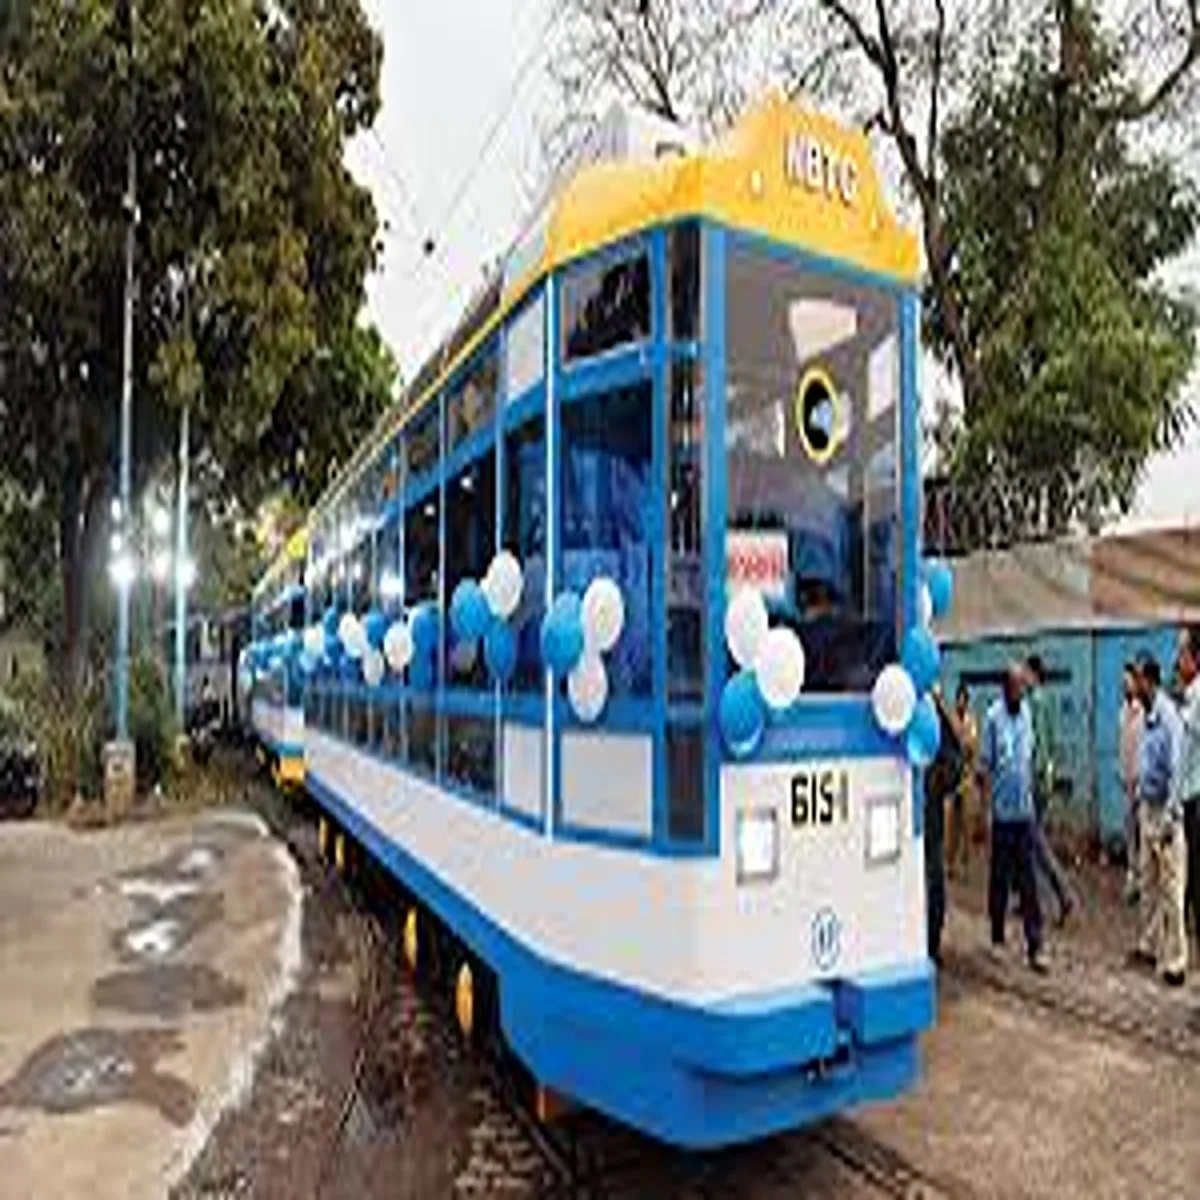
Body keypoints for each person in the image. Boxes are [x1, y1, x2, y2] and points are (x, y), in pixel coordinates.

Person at [982, 664, 1048, 973]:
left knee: (1029, 882)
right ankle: (996, 936)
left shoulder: (1028, 714)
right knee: (999, 880)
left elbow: (1030, 755)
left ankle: (1036, 946)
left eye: (1024, 687)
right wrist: (986, 813)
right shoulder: (993, 718)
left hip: (1025, 813)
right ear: (1005, 689)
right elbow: (987, 765)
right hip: (1002, 814)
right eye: (1017, 687)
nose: (1021, 692)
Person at [1128, 655, 1186, 987]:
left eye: (1136, 678)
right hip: (1146, 807)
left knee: (1171, 888)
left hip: (1165, 810)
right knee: (1148, 881)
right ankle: (1150, 946)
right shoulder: (1145, 715)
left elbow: (1177, 771)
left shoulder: (1169, 717)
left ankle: (1176, 961)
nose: (1133, 685)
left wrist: (1169, 818)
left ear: (1149, 681)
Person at [1025, 656, 1073, 924]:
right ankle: (1029, 898)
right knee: (1029, 843)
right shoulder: (1047, 701)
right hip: (1044, 779)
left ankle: (1063, 894)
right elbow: (1051, 743)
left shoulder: (1035, 703)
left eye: (1027, 674)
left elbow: (1038, 746)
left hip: (1035, 781)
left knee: (1035, 842)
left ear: (1034, 675)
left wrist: (1035, 778)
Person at [924, 685, 965, 965]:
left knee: (933, 879)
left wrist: (938, 783)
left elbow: (955, 759)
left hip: (930, 816)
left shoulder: (933, 712)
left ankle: (932, 943)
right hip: (895, 821)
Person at [1178, 627, 1200, 940]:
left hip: (1196, 793)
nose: (1178, 660)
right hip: (1189, 793)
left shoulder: (1198, 696)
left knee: (1194, 869)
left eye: (1182, 653)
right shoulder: (1189, 695)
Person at [1120, 662, 1145, 905]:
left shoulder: (1143, 712)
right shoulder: (1123, 712)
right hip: (1127, 782)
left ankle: (1143, 883)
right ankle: (1132, 881)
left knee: (1143, 836)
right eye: (1122, 681)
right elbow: (1123, 748)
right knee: (1130, 836)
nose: (1124, 685)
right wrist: (1123, 775)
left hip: (1141, 784)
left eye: (1128, 681)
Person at [948, 683, 978, 879]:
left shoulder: (972, 721)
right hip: (951, 778)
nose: (961, 702)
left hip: (966, 777)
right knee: (951, 826)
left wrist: (965, 743)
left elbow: (972, 746)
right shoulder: (950, 719)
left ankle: (966, 865)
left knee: (967, 824)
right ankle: (950, 863)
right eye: (959, 698)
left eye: (964, 699)